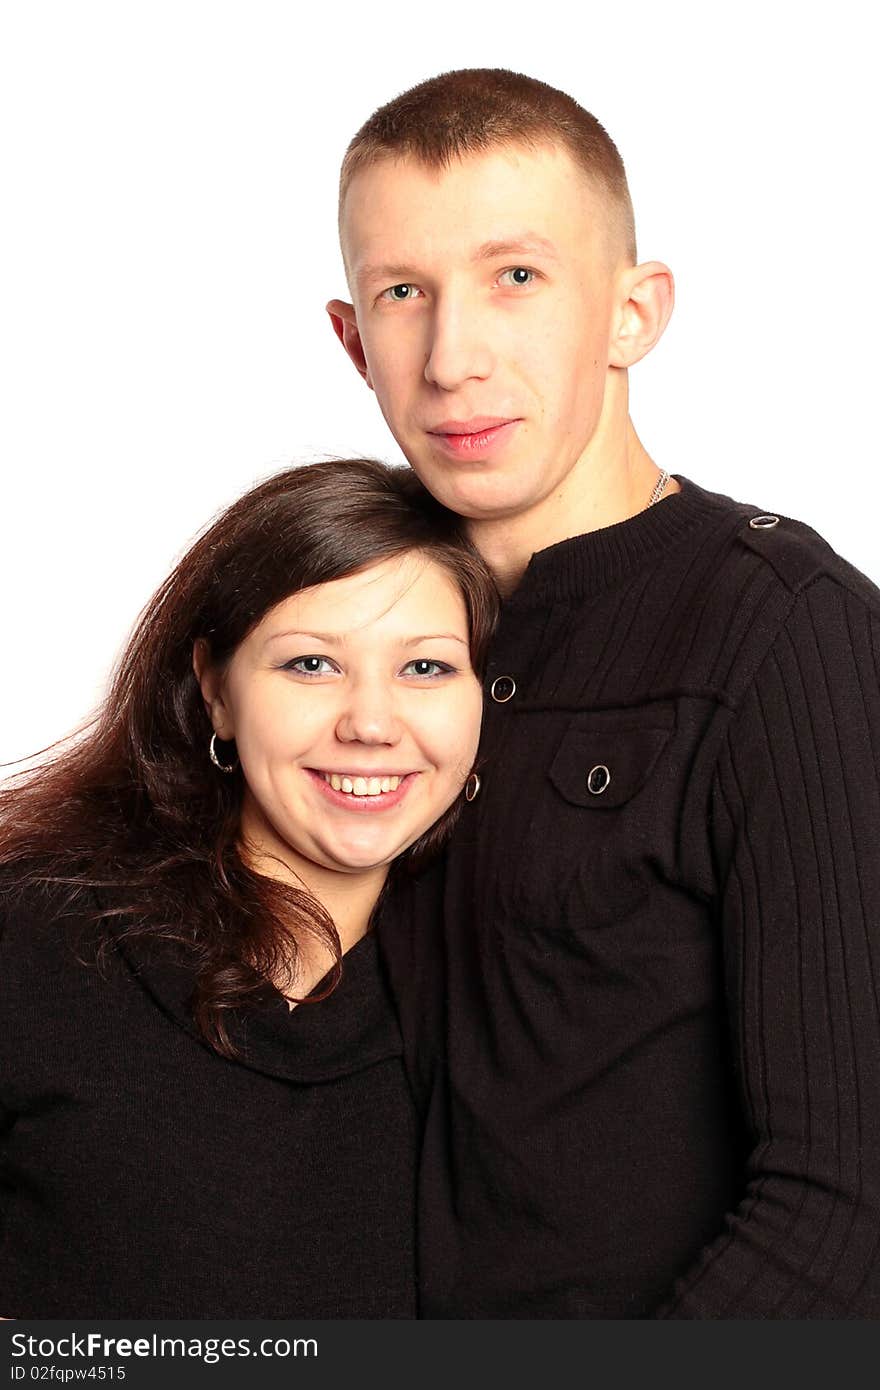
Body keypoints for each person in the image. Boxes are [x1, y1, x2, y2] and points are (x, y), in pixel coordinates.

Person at [326, 69, 880, 1317]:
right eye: (403, 293)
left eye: (515, 277)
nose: (452, 357)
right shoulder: (356, 636)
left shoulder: (785, 633)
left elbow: (846, 1210)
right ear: (353, 339)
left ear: (632, 313)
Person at [0, 458, 496, 1318]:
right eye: (310, 664)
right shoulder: (35, 935)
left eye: (425, 669)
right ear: (215, 690)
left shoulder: (530, 983)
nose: (371, 723)